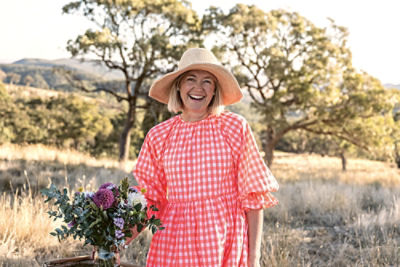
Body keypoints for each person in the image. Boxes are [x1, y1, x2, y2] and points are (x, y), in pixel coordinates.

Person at [130, 48, 279, 267]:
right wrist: (116, 242)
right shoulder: (159, 135)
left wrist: (254, 258)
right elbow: (151, 200)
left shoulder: (234, 127)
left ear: (215, 90)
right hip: (175, 240)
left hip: (224, 238)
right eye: (191, 79)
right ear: (179, 86)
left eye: (207, 81)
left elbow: (253, 196)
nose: (198, 88)